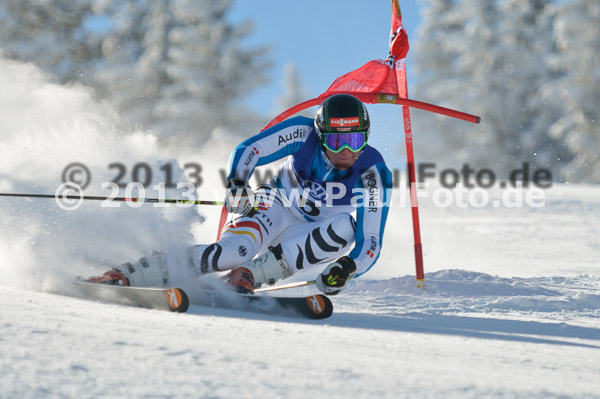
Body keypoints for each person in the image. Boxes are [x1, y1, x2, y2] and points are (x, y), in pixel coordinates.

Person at [89, 94, 392, 296]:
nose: (346, 151)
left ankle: (246, 277)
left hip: (307, 235)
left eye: (354, 140)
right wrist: (237, 184)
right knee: (230, 253)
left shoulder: (373, 174)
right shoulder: (304, 134)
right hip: (274, 205)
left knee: (345, 228)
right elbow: (249, 150)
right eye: (337, 141)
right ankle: (128, 275)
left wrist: (346, 268)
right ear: (321, 134)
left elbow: (370, 242)